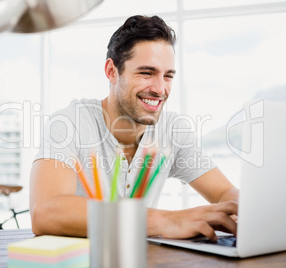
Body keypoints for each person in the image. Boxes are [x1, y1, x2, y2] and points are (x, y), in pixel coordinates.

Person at [30, 15, 239, 241]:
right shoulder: (69, 123)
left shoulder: (173, 131)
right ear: (112, 71)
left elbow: (223, 193)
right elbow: (45, 212)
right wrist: (166, 220)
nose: (160, 89)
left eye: (168, 76)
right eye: (146, 73)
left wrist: (248, 212)